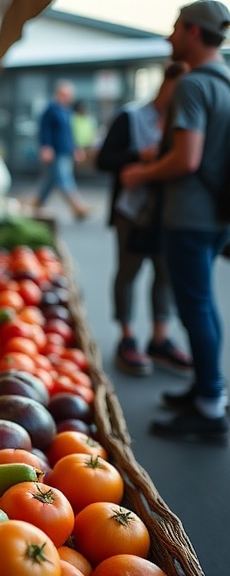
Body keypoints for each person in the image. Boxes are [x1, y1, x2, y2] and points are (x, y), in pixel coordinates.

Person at [121, 0, 230, 443]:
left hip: (189, 215)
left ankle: (210, 407)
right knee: (204, 303)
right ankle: (207, 390)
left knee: (195, 306)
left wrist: (141, 173)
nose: (170, 37)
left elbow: (187, 159)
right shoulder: (226, 83)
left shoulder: (193, 85)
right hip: (218, 214)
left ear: (193, 32)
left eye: (176, 28)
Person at [96, 61, 192, 378]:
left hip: (169, 212)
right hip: (133, 212)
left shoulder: (187, 122)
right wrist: (141, 157)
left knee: (165, 273)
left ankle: (160, 338)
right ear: (167, 84)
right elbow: (104, 159)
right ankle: (127, 336)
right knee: (129, 270)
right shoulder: (131, 116)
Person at [34, 81, 92, 220]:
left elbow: (69, 133)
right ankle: (77, 207)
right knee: (65, 179)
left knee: (50, 181)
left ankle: (35, 205)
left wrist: (75, 148)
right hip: (56, 152)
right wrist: (46, 147)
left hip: (65, 151)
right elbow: (45, 130)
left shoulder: (66, 111)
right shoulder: (51, 109)